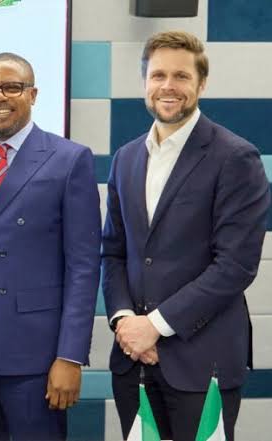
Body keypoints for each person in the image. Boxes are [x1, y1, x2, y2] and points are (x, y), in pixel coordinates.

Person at [102, 30, 271, 441]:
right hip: (134, 361)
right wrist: (125, 321)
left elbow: (235, 266)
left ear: (202, 83)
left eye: (181, 76)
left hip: (202, 363)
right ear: (144, 82)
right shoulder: (126, 158)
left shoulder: (236, 157)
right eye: (158, 75)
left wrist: (155, 326)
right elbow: (113, 253)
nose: (168, 86)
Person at [0, 52, 101, 441]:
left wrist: (70, 355)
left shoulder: (69, 159)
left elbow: (83, 266)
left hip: (35, 351)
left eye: (11, 87)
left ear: (33, 94)